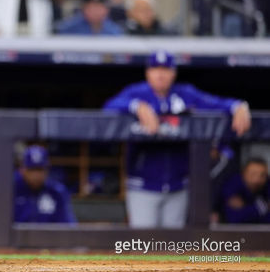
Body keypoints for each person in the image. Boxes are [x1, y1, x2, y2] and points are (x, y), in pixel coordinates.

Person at [104, 50, 251, 228]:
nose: (160, 74)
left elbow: (215, 103)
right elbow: (108, 108)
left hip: (178, 186)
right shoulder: (136, 93)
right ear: (147, 72)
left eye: (165, 69)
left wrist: (238, 106)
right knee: (143, 244)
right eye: (155, 69)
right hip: (143, 185)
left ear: (173, 73)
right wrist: (136, 106)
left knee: (172, 246)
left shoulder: (185, 94)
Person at [14, 145, 76, 224]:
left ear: (47, 170)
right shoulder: (10, 189)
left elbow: (67, 225)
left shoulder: (57, 192)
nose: (36, 175)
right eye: (32, 169)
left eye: (40, 169)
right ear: (22, 170)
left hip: (50, 236)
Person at [219, 157, 270, 223]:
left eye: (262, 175)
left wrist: (248, 210)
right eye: (253, 174)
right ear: (244, 173)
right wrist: (265, 207)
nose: (257, 180)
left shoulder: (267, 185)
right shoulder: (232, 185)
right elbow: (234, 218)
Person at [57, 0, 124, 35]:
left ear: (106, 9)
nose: (95, 11)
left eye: (99, 6)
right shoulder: (68, 28)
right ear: (83, 8)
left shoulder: (115, 29)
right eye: (91, 6)